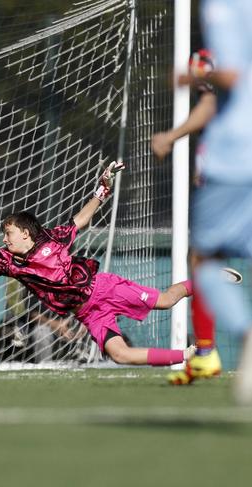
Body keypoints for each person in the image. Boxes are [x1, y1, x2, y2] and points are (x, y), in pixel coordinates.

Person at [0, 162, 200, 367]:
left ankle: (202, 283)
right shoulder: (8, 262)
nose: (4, 239)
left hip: (103, 289)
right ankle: (186, 356)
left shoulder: (52, 239)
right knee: (120, 354)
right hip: (88, 313)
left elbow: (80, 220)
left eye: (8, 233)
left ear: (25, 233)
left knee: (165, 301)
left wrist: (101, 191)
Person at [150, 49, 239, 385]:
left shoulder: (223, 86)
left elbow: (210, 103)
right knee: (202, 259)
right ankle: (204, 352)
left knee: (202, 260)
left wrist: (171, 136)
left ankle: (205, 352)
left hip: (232, 185)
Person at [191, 0, 252, 405]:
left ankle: (217, 347)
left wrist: (185, 76)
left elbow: (229, 75)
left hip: (237, 158)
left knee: (204, 261)